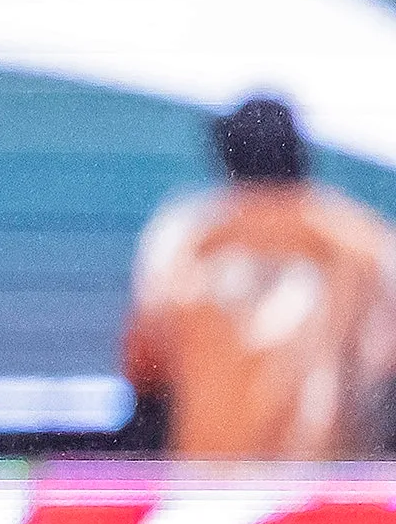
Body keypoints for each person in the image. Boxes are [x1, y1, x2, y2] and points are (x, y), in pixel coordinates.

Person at [120, 97, 396, 462]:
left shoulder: (183, 239)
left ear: (225, 156)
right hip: (322, 486)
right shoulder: (361, 240)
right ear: (300, 154)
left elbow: (145, 366)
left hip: (211, 486)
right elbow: (385, 362)